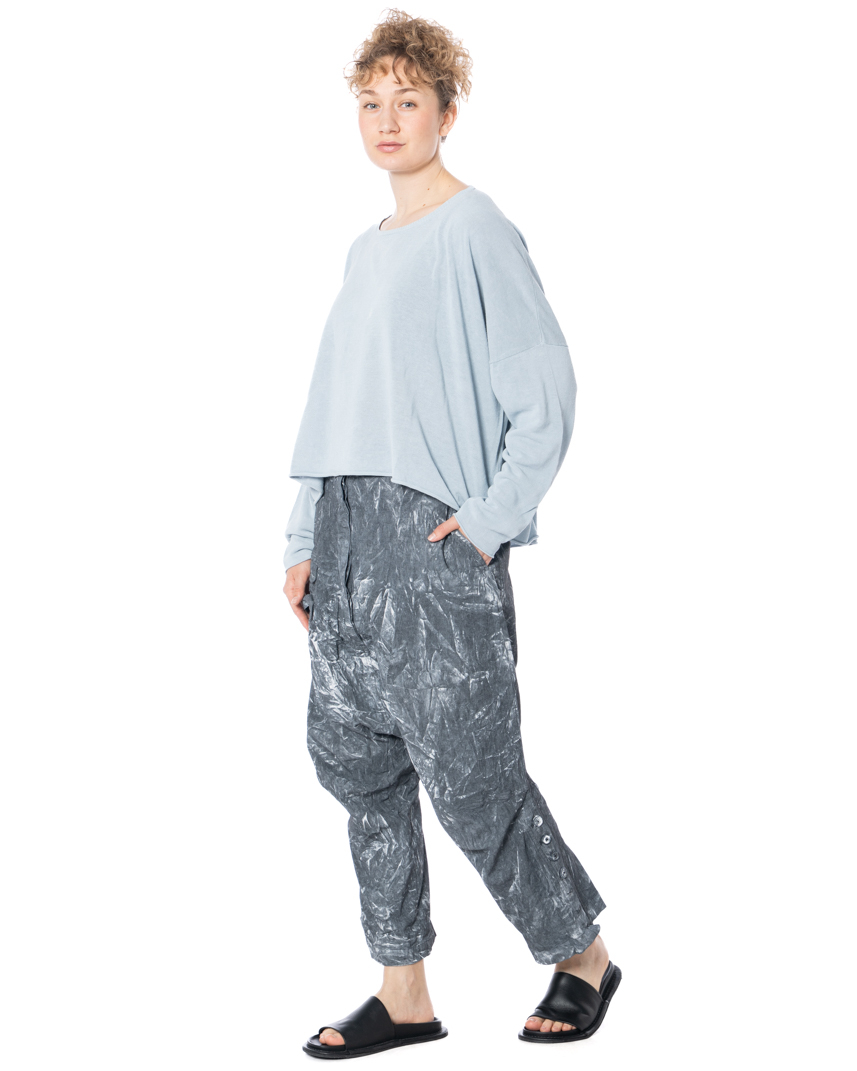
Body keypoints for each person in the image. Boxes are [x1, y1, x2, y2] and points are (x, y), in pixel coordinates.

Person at [282, 9, 620, 1059]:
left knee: (473, 779)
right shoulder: (362, 249)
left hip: (431, 546)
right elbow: (335, 403)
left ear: (446, 111)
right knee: (360, 771)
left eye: (408, 100)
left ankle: (581, 956)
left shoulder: (475, 229)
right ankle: (404, 995)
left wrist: (482, 526)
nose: (387, 120)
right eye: (369, 102)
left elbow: (544, 393)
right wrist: (302, 537)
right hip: (344, 542)